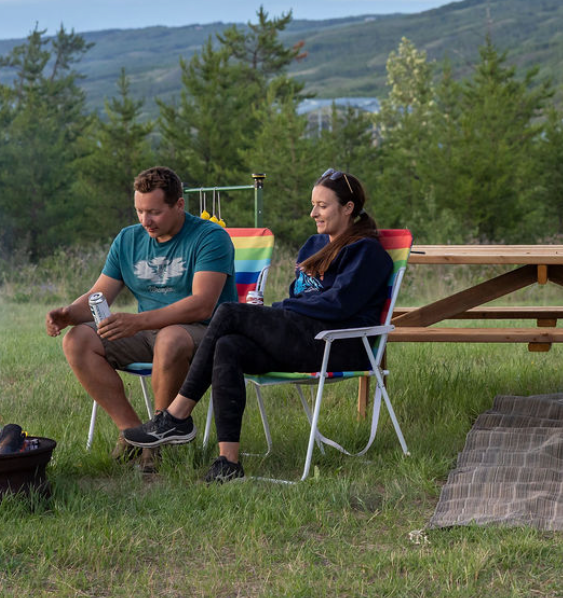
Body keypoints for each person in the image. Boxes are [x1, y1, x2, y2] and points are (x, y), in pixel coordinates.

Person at [122, 168, 392, 482]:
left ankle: (177, 414)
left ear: (348, 208)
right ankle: (228, 462)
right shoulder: (313, 246)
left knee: (228, 312)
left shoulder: (367, 252)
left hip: (340, 346)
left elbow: (339, 304)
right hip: (304, 338)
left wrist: (282, 309)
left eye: (322, 205)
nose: (312, 212)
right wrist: (286, 311)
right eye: (313, 204)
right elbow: (303, 295)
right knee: (228, 346)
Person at [46, 166, 232, 450]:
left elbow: (202, 305)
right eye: (140, 211)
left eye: (155, 212)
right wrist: (68, 314)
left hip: (202, 333)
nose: (146, 220)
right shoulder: (128, 239)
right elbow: (99, 296)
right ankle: (133, 434)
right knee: (77, 340)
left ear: (179, 205)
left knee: (170, 338)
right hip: (147, 332)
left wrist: (139, 321)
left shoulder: (210, 237)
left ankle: (161, 434)